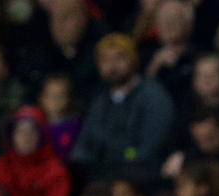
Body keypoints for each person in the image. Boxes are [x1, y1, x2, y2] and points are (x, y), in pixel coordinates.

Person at [70, 33, 174, 179]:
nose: (112, 66)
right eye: (105, 60)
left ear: (132, 59)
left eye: (119, 58)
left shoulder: (153, 96)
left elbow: (149, 148)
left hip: (141, 177)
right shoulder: (100, 101)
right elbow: (85, 144)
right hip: (102, 178)